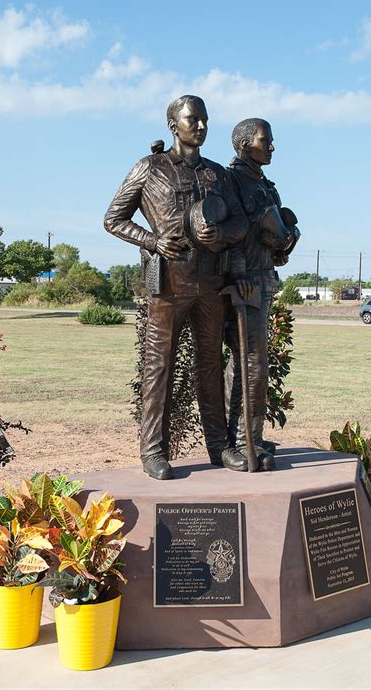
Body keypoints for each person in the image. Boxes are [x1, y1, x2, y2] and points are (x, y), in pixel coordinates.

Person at [104, 95, 249, 480]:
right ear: (174, 125)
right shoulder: (149, 168)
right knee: (159, 367)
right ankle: (153, 451)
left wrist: (221, 232)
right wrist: (151, 240)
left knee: (210, 366)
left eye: (204, 119)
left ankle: (219, 447)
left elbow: (241, 225)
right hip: (167, 285)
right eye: (192, 120)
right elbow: (113, 219)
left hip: (210, 284)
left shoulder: (218, 174)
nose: (200, 126)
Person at [225, 118, 300, 471]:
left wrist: (284, 242)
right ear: (243, 144)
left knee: (253, 362)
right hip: (245, 283)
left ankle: (248, 436)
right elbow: (232, 231)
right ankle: (242, 443)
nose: (271, 146)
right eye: (264, 140)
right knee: (252, 363)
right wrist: (238, 272)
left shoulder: (266, 184)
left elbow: (275, 239)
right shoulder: (232, 180)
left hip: (263, 277)